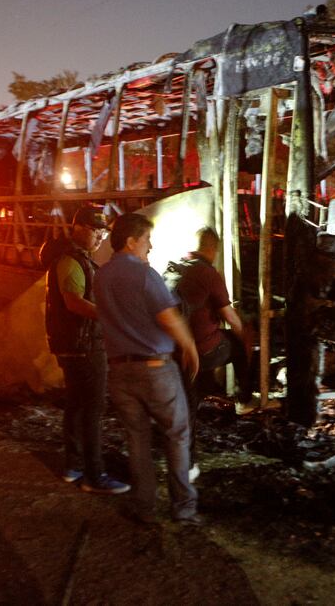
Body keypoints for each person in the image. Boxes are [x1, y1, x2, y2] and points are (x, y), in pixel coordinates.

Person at [94, 213, 201, 525]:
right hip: (155, 370)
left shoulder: (101, 275)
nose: (150, 246)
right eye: (146, 240)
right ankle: (183, 508)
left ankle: (144, 506)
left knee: (137, 439)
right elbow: (168, 317)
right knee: (178, 434)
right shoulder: (144, 274)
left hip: (118, 371)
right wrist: (190, 346)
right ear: (131, 241)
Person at [39, 206, 129, 495]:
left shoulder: (76, 259)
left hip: (76, 345)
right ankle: (94, 475)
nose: (101, 237)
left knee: (77, 407)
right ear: (80, 229)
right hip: (84, 347)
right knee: (92, 411)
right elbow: (74, 303)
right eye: (96, 231)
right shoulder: (69, 262)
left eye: (103, 232)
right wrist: (111, 315)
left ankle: (73, 466)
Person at [173, 227, 253, 481]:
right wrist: (246, 336)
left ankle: (187, 462)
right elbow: (230, 316)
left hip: (175, 351)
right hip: (202, 350)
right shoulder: (208, 273)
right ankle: (245, 397)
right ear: (212, 249)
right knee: (239, 344)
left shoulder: (177, 267)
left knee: (189, 405)